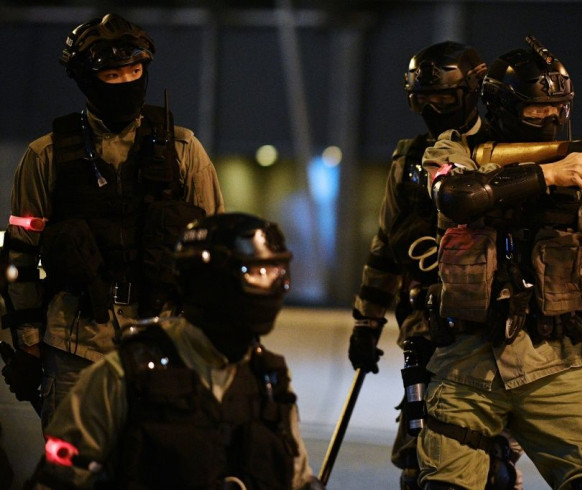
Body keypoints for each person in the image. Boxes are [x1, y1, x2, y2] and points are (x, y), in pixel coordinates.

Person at [416, 39, 582, 489]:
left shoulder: (580, 168)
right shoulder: (450, 151)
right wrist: (547, 175)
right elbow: (457, 196)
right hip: (466, 366)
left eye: (558, 109)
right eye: (536, 111)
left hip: (554, 362)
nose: (550, 120)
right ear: (501, 107)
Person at [1, 13, 225, 429]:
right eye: (113, 74)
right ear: (87, 80)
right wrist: (27, 346)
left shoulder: (184, 151)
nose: (126, 82)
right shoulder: (44, 157)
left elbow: (216, 252)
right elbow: (20, 257)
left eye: (135, 71)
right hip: (75, 348)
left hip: (167, 342)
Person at [26, 212, 323, 489]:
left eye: (277, 273)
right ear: (209, 281)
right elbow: (56, 480)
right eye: (255, 272)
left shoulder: (267, 379)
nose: (270, 286)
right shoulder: (126, 375)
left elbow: (297, 478)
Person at [347, 41, 522, 490]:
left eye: (443, 98)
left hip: (492, 338)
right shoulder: (408, 160)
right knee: (419, 459)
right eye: (424, 99)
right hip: (425, 333)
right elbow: (386, 245)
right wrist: (366, 324)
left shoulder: (508, 153)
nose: (434, 108)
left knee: (493, 465)